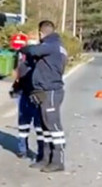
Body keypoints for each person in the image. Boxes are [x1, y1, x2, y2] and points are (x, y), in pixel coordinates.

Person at [21, 20, 68, 173]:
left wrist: (24, 46)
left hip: (51, 90)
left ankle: (58, 160)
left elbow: (32, 51)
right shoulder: (54, 46)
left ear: (42, 33)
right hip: (43, 90)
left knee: (53, 125)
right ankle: (45, 158)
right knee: (44, 126)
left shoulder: (52, 45)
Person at [11, 38, 43, 160]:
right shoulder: (41, 65)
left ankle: (23, 149)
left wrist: (15, 89)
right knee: (38, 125)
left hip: (25, 95)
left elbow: (18, 79)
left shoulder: (23, 64)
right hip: (36, 96)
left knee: (24, 124)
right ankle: (40, 152)